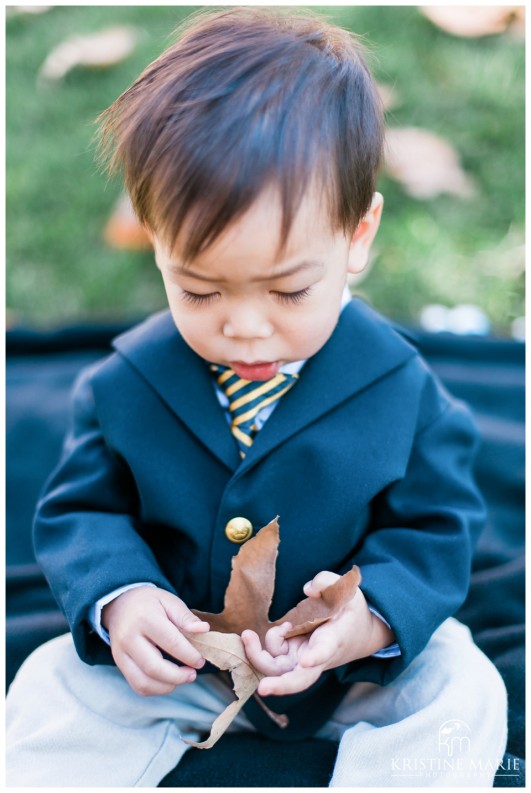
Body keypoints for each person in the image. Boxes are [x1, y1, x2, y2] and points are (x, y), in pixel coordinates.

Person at [6, 7, 507, 787]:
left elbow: (437, 527)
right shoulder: (123, 384)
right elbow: (80, 511)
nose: (244, 326)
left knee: (464, 688)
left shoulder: (402, 388)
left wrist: (367, 619)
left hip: (345, 672)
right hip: (178, 667)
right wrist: (122, 599)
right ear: (156, 240)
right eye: (199, 290)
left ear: (357, 236)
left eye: (288, 289)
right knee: (45, 685)